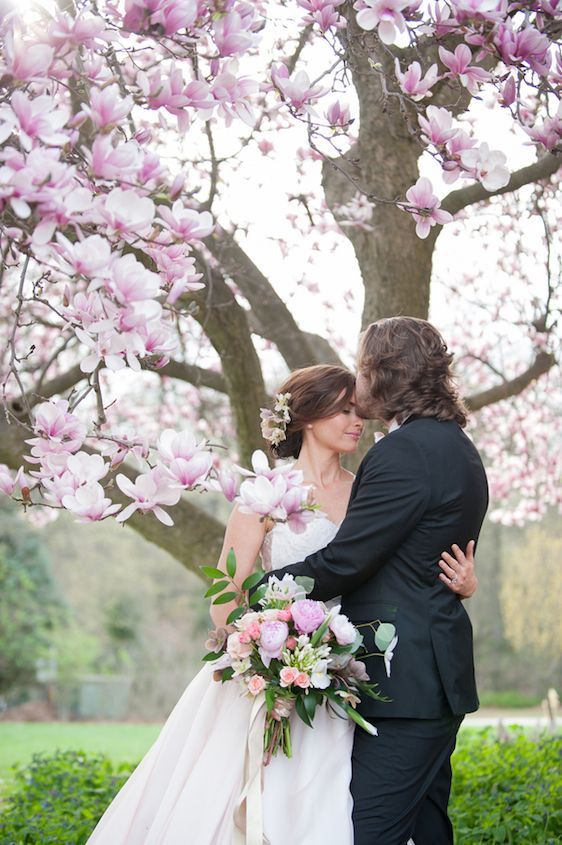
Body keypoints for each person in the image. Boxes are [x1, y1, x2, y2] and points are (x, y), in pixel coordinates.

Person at [87, 362, 477, 845]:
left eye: (360, 410)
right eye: (344, 410)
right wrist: (271, 649)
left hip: (352, 679)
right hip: (274, 678)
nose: (358, 420)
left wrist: (462, 583)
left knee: (341, 815)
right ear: (309, 418)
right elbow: (225, 596)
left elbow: (401, 568)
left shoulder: (368, 491)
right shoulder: (265, 493)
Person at [272, 319, 489, 845]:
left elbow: (348, 561)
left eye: (363, 370)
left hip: (406, 682)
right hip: (433, 676)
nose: (357, 388)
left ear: (383, 374)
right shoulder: (457, 446)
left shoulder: (404, 454)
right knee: (427, 827)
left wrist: (262, 593)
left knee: (373, 832)